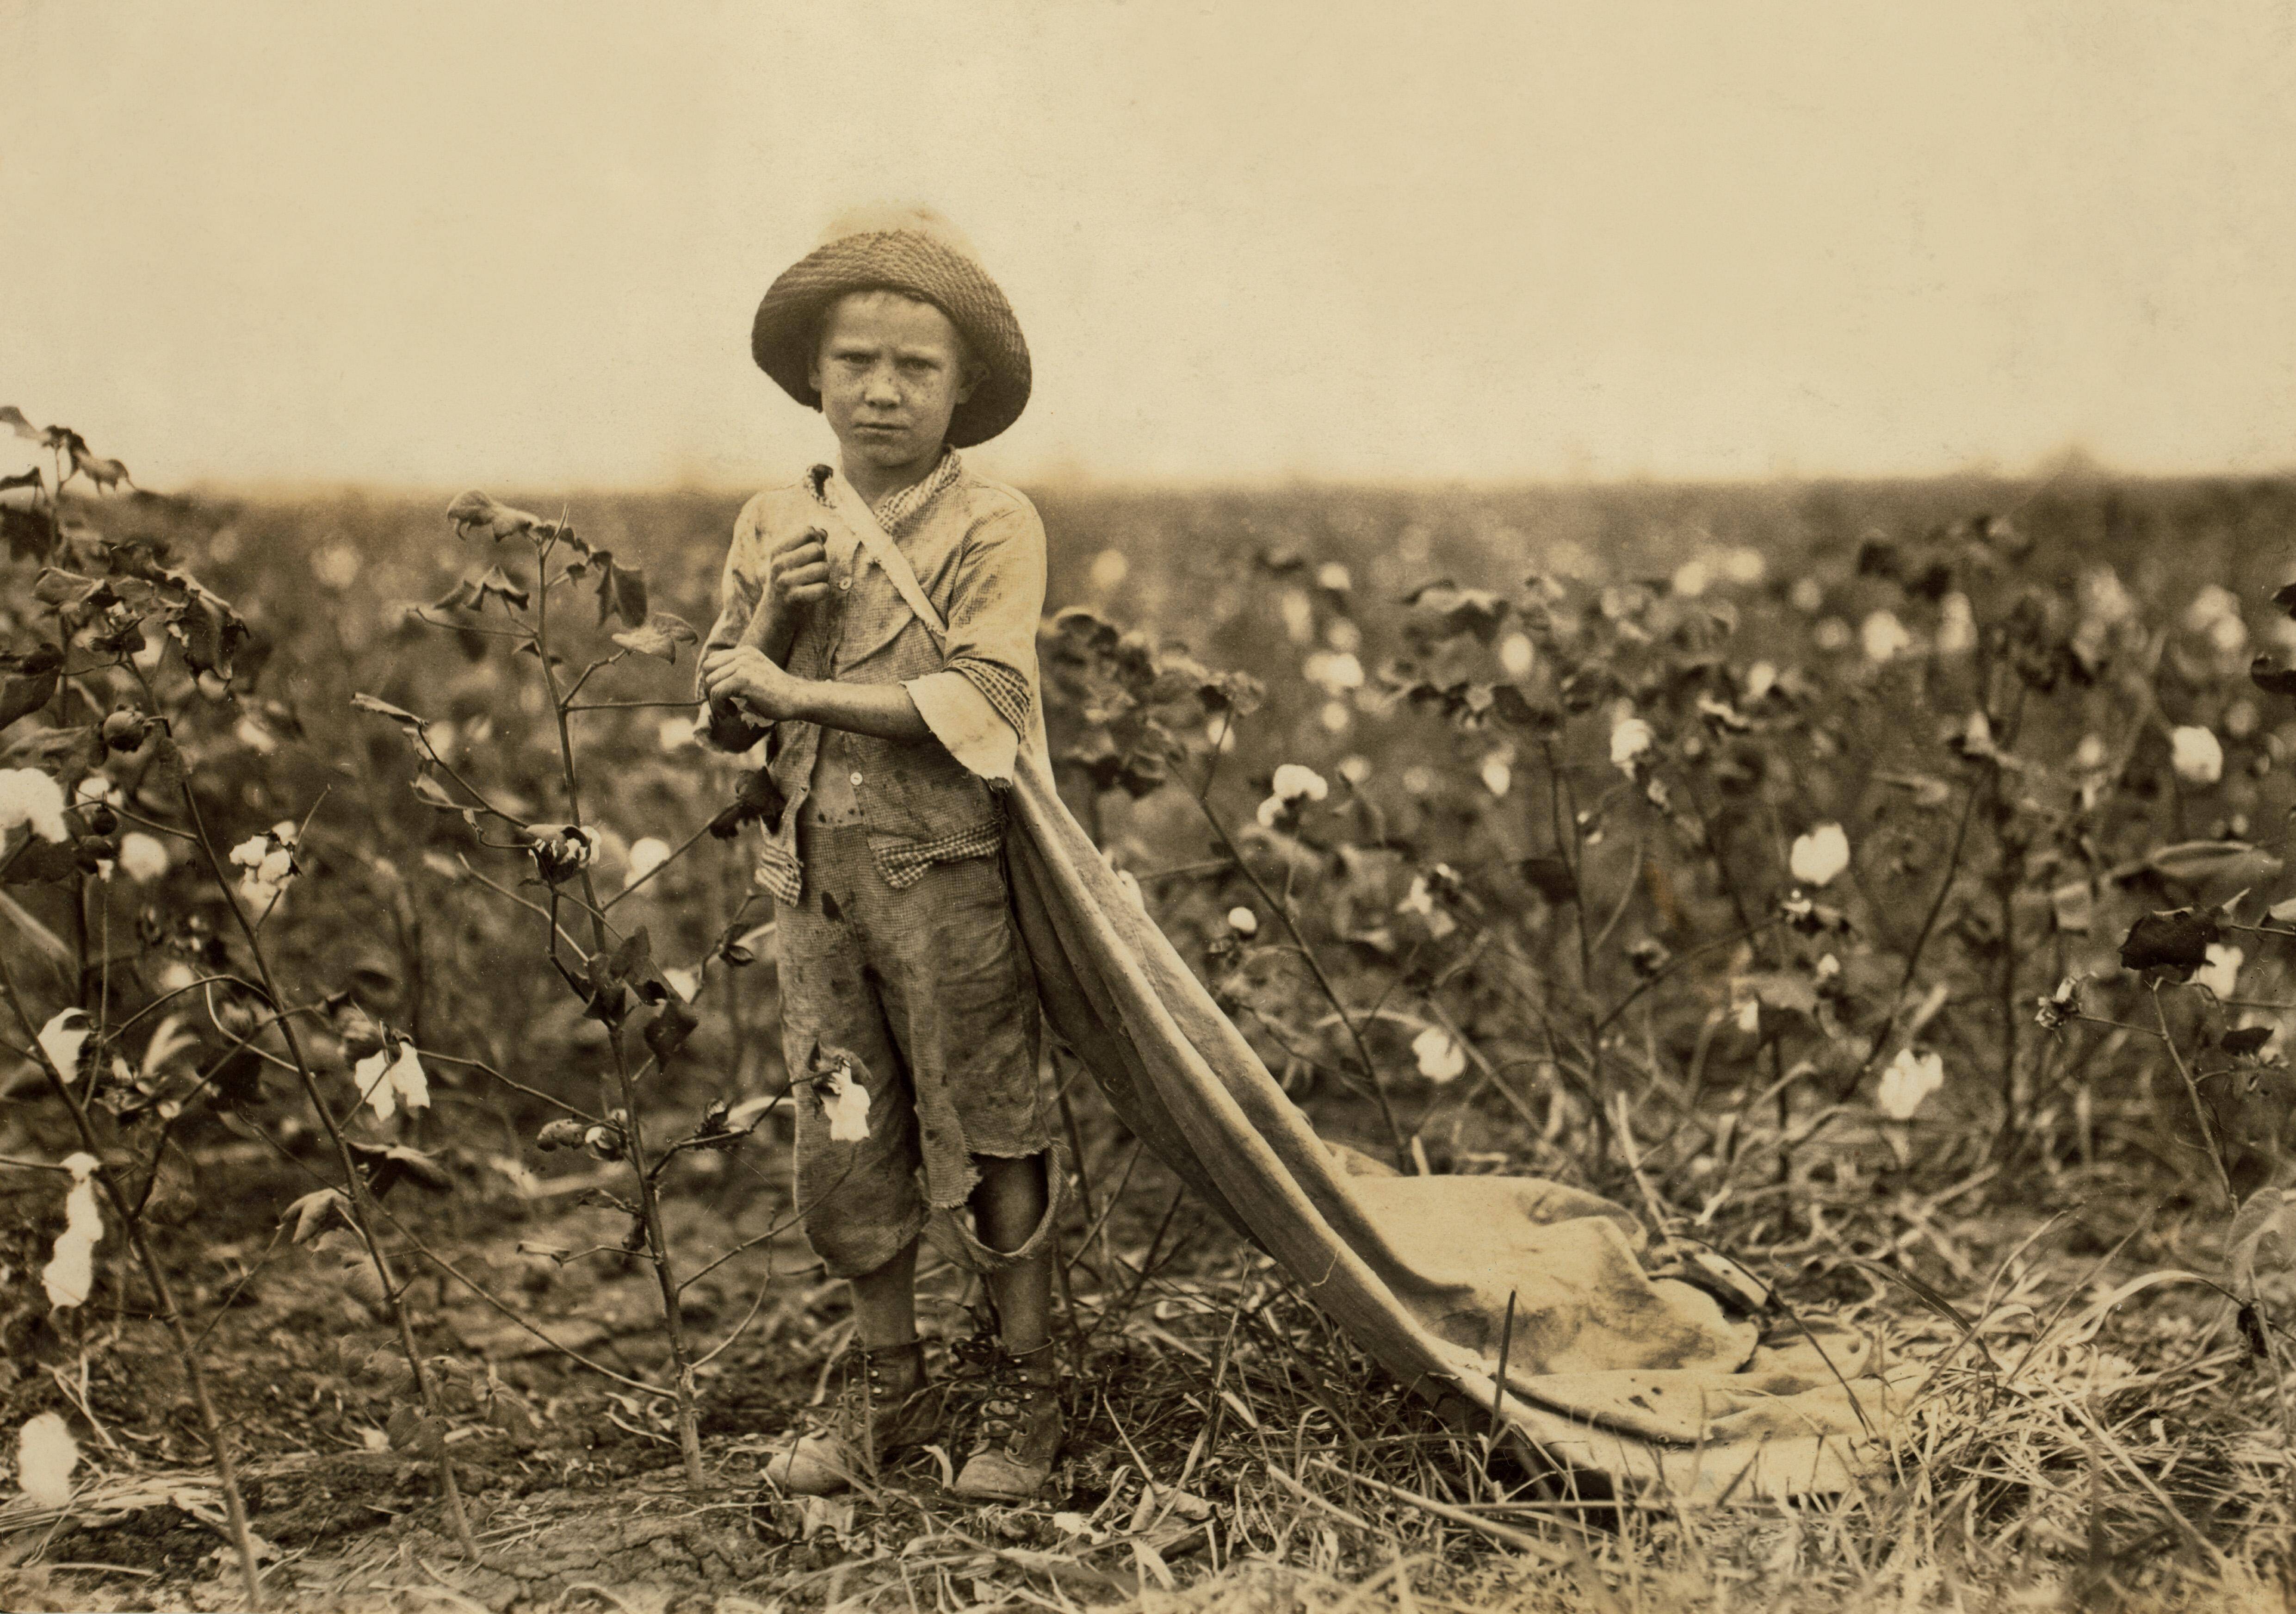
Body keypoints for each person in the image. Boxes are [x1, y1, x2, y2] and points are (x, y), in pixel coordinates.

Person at [696, 205, 1063, 1503]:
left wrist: (796, 697)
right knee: (844, 1126)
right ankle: (886, 1383)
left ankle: (1024, 1385)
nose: (883, 390)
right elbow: (724, 706)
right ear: (814, 373)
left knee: (991, 1122)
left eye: (917, 367)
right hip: (813, 884)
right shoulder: (772, 520)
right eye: (857, 361)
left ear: (963, 388)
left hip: (945, 879)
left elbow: (981, 704)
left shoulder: (990, 524)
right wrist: (773, 611)